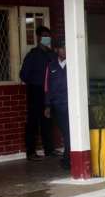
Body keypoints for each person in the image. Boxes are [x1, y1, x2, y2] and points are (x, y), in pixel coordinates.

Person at [20, 25, 56, 161]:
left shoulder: (51, 54)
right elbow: (23, 75)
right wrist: (35, 81)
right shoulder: (33, 55)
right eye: (44, 36)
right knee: (33, 122)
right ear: (38, 38)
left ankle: (49, 150)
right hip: (35, 90)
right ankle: (31, 152)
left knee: (48, 120)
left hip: (48, 91)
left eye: (48, 36)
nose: (47, 38)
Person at [44, 38, 69, 170]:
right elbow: (47, 87)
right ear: (56, 50)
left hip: (72, 105)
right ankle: (67, 159)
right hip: (58, 106)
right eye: (62, 48)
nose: (64, 50)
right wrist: (47, 105)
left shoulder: (74, 64)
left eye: (66, 47)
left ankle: (67, 160)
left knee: (68, 132)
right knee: (66, 132)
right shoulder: (51, 66)